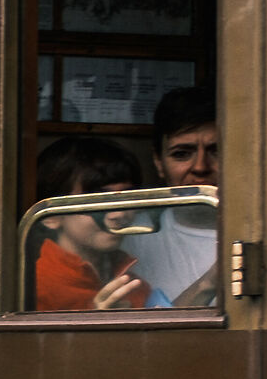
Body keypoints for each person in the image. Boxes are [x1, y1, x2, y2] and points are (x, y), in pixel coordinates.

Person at [124, 85, 222, 305]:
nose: (200, 167)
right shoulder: (130, 241)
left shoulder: (265, 233)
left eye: (216, 151)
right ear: (159, 163)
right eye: (182, 154)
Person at [32, 137, 153, 311]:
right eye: (97, 201)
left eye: (128, 198)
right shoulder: (33, 286)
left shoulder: (133, 284)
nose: (119, 214)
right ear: (51, 216)